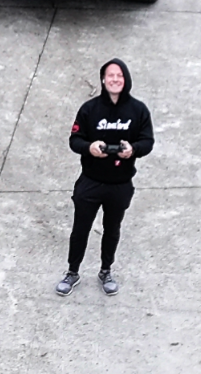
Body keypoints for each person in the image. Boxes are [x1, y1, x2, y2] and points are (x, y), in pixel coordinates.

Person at [56, 57, 154, 296]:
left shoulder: (138, 110)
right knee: (80, 229)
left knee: (112, 229)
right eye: (110, 75)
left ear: (126, 79)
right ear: (103, 79)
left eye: (119, 75)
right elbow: (74, 140)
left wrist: (133, 149)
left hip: (120, 184)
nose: (115, 79)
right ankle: (72, 272)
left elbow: (148, 141)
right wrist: (89, 147)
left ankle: (106, 270)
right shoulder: (89, 109)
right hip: (90, 181)